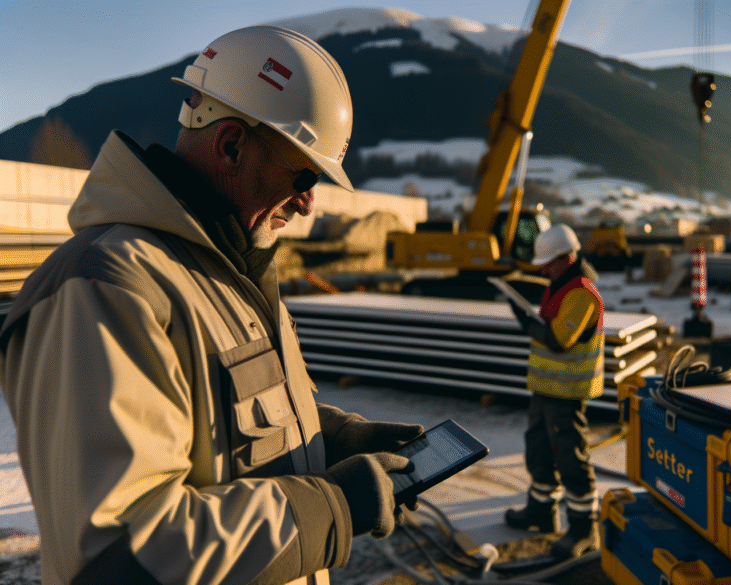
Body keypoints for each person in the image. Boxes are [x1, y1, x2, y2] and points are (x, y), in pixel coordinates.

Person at [0, 26, 424, 585]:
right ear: (230, 145)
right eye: (303, 175)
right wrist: (335, 508)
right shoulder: (107, 288)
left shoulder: (226, 274)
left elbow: (223, 424)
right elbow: (121, 552)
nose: (306, 204)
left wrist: (332, 442)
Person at [503, 224, 605, 559]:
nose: (544, 269)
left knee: (570, 458)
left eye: (549, 262)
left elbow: (559, 340)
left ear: (568, 256)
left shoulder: (582, 293)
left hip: (567, 393)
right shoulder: (560, 284)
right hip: (546, 390)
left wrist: (527, 322)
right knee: (539, 450)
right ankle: (541, 511)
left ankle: (583, 530)